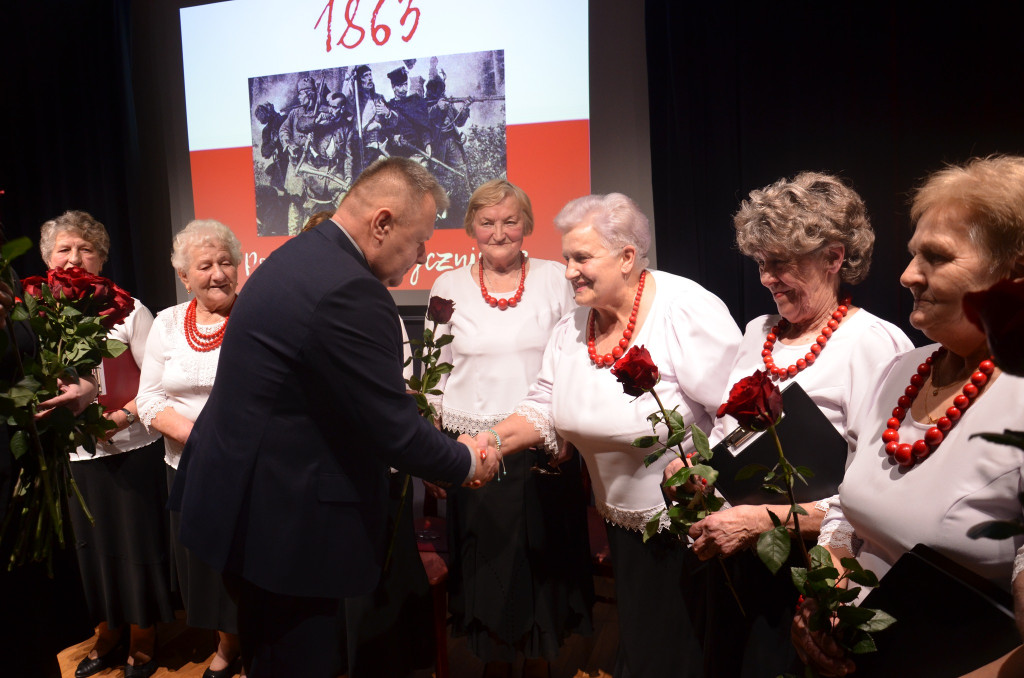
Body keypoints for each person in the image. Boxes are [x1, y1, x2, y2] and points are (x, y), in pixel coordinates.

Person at [169, 157, 499, 678]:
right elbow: (390, 427)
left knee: (273, 655)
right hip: (282, 520)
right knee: (295, 662)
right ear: (382, 223)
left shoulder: (301, 256)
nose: (424, 253)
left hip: (248, 500)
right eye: (420, 239)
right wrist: (465, 461)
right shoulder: (349, 288)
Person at [474, 193, 742, 677]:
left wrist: (699, 477)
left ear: (626, 257)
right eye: (565, 258)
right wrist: (486, 443)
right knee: (643, 650)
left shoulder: (685, 309)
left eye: (581, 258)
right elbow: (542, 404)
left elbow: (737, 415)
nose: (569, 270)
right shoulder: (576, 322)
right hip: (621, 524)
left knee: (681, 655)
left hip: (690, 529)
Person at [665, 173, 913, 676]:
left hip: (817, 574)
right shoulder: (758, 330)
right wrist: (699, 468)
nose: (765, 279)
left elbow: (880, 494)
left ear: (834, 258)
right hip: (737, 563)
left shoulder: (875, 344)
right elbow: (729, 434)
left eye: (780, 264)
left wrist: (758, 521)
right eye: (760, 264)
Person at [792, 155, 1024, 676]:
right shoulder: (904, 368)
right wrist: (820, 600)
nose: (906, 276)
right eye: (913, 254)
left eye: (937, 258)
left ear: (1015, 273)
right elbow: (845, 513)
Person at [426, 179, 592, 676]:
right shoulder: (447, 287)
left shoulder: (557, 279)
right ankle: (494, 662)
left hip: (544, 449)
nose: (499, 232)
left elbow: (578, 362)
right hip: (471, 452)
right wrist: (436, 449)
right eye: (487, 221)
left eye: (511, 220)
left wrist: (568, 438)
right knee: (488, 564)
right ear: (470, 227)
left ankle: (540, 662)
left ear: (528, 225)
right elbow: (433, 374)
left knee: (542, 565)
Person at [37, 210, 174, 678]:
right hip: (74, 457)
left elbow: (159, 385)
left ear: (101, 258)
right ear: (48, 259)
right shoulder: (37, 316)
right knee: (89, 548)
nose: (75, 257)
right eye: (64, 249)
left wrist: (116, 419)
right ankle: (107, 630)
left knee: (135, 546)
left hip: (131, 449)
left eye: (86, 249)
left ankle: (142, 633)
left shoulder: (131, 310)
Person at [136, 219, 244, 678]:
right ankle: (227, 643)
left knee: (249, 564)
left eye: (226, 262)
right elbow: (149, 399)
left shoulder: (258, 316)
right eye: (205, 265)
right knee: (205, 565)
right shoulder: (165, 323)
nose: (218, 273)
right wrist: (202, 440)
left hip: (249, 470)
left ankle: (259, 643)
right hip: (187, 467)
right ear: (184, 276)